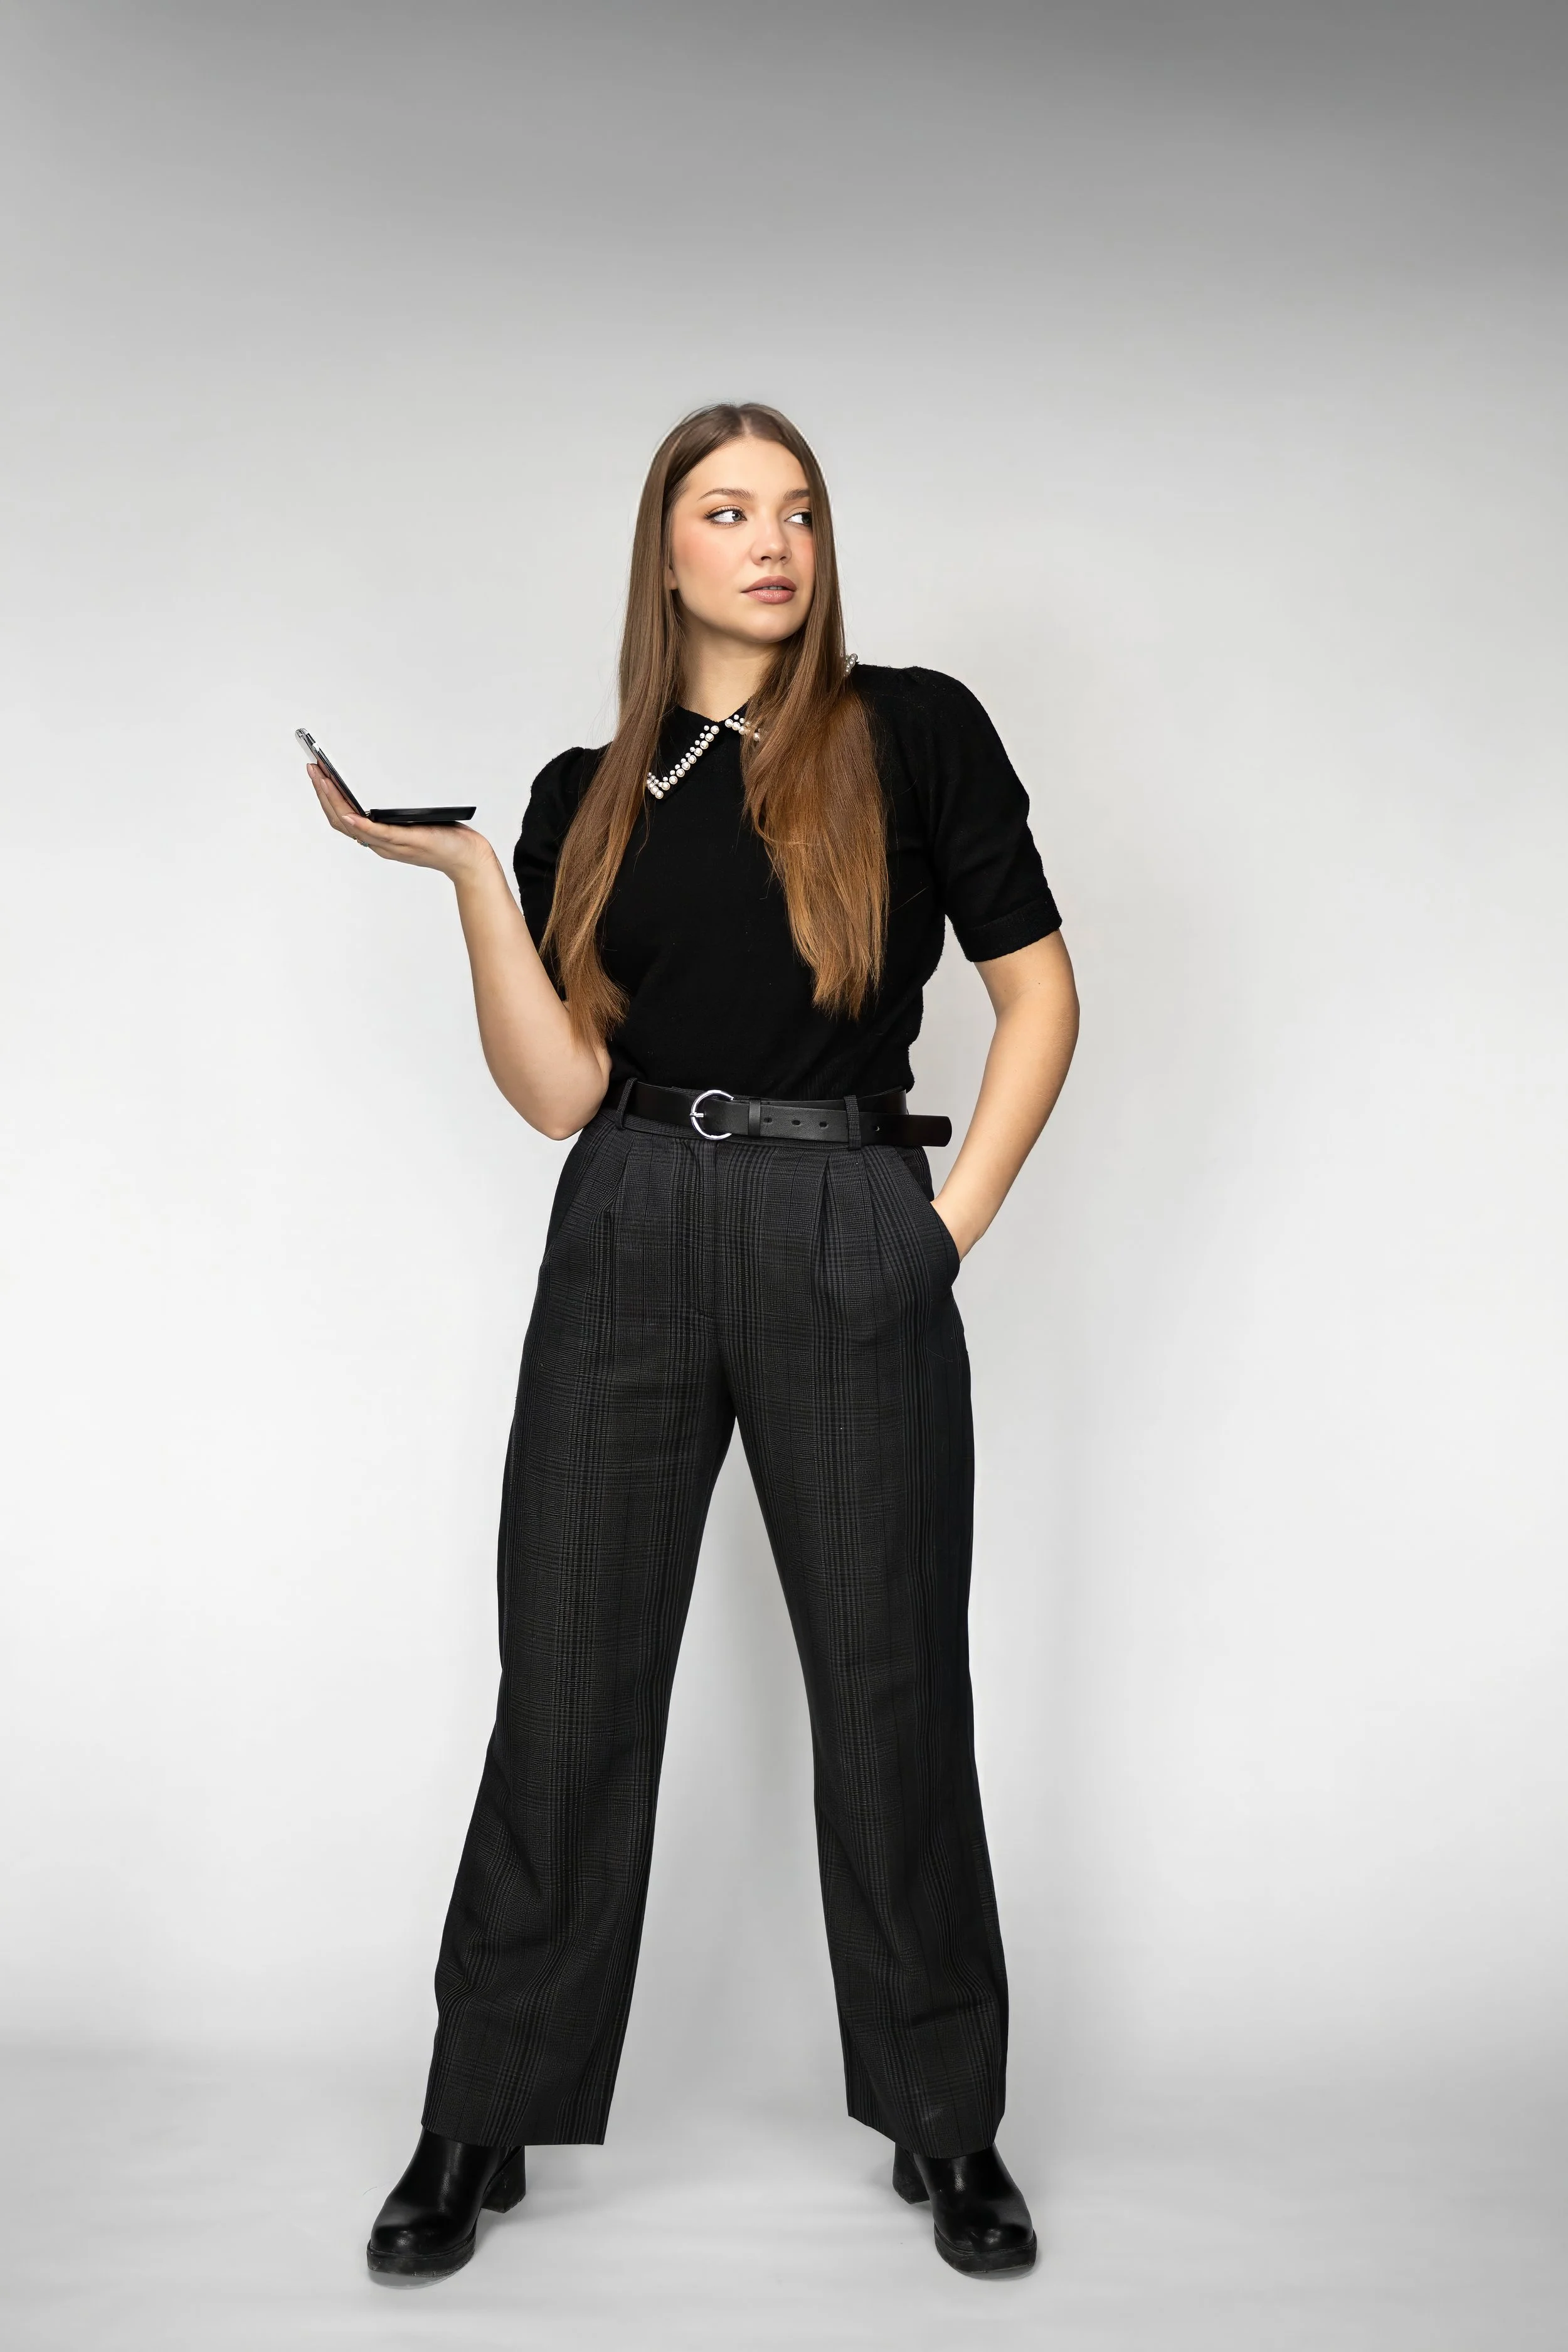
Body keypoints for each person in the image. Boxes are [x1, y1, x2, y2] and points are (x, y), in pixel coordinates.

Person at [305, 401, 1079, 2284]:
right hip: (633, 1217)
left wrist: (939, 1228)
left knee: (889, 1692)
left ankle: (944, 2119)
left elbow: (1038, 994)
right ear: (663, 552)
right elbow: (562, 1088)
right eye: (726, 510)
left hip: (845, 1218)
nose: (770, 540)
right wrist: (481, 881)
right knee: (568, 1676)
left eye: (796, 510)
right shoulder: (597, 783)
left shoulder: (914, 729)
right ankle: (478, 2107)